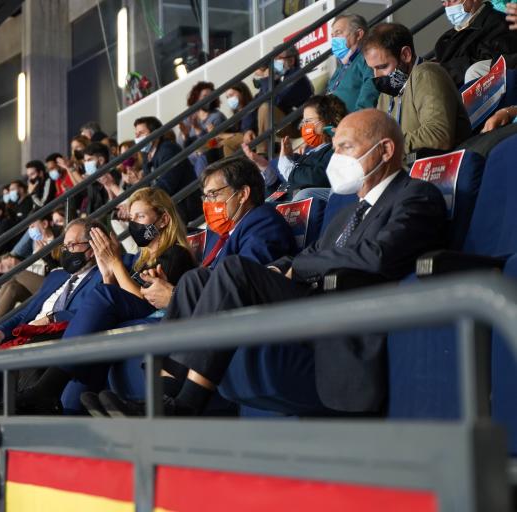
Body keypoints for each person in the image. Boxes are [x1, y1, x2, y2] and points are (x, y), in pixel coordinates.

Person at [89, 109, 449, 418]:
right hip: (310, 299)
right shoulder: (346, 213)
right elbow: (310, 255)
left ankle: (188, 404)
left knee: (233, 270)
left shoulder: (416, 196)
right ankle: (160, 398)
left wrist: (301, 268)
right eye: (334, 146)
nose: (334, 157)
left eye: (344, 147)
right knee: (198, 280)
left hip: (342, 309)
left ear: (385, 150)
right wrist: (281, 267)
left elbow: (377, 257)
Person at [12, 188, 198, 413]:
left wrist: (116, 263)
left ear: (163, 219)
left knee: (103, 295)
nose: (134, 224)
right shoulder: (142, 260)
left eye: (140, 216)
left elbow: (146, 299)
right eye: (131, 218)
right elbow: (120, 301)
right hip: (131, 317)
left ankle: (46, 388)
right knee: (91, 341)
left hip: (160, 316)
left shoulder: (176, 254)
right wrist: (108, 273)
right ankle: (57, 401)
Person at [0, 218, 107, 415]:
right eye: (64, 245)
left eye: (72, 245)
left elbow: (95, 311)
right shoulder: (56, 276)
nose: (65, 251)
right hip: (21, 334)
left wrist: (53, 317)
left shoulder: (103, 274)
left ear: (93, 246)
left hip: (49, 338)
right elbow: (24, 314)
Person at [130, 156, 297, 314]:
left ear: (242, 194)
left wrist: (174, 297)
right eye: (205, 196)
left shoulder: (263, 222)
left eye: (213, 194)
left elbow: (241, 285)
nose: (207, 203)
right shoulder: (219, 234)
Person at [363, 22, 472, 154]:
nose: (377, 75)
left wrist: (386, 147)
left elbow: (439, 135)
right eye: (373, 69)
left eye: (383, 67)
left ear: (405, 55)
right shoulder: (387, 92)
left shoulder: (427, 74)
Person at [243, 95, 348, 202]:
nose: (304, 126)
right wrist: (266, 169)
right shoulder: (307, 154)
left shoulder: (337, 149)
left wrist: (290, 169)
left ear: (328, 120)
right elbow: (283, 191)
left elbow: (319, 179)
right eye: (304, 122)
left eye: (309, 121)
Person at [134, 116, 203, 223]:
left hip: (185, 205)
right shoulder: (146, 155)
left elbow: (167, 184)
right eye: (136, 134)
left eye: (141, 133)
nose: (137, 137)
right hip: (167, 205)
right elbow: (147, 185)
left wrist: (144, 202)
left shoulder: (169, 149)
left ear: (155, 134)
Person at [434, 0, 517, 86]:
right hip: (455, 91)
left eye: (453, 0)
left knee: (474, 71)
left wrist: (450, 70)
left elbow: (496, 57)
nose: (448, 6)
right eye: (444, 2)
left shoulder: (499, 21)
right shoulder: (444, 41)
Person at [249, 45, 314, 154]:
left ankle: (263, 153)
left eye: (278, 58)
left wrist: (266, 80)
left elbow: (278, 101)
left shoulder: (297, 77)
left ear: (291, 60)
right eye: (273, 59)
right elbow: (255, 103)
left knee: (266, 108)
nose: (274, 62)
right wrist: (248, 128)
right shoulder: (278, 78)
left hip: (298, 125)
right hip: (284, 121)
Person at [0, 218, 58, 320]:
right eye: (29, 227)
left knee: (15, 271)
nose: (30, 230)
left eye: (32, 226)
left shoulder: (56, 242)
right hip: (33, 283)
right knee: (12, 288)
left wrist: (45, 255)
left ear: (45, 223)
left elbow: (58, 269)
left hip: (50, 284)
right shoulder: (36, 243)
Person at [327, 14, 379, 112]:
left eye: (338, 33)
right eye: (332, 36)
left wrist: (355, 123)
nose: (334, 40)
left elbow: (369, 94)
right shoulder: (342, 66)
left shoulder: (367, 60)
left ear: (358, 34)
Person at [178, 81, 227, 148]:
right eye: (204, 96)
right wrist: (185, 136)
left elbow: (213, 145)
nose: (208, 99)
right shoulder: (189, 117)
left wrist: (198, 129)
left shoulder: (216, 116)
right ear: (196, 98)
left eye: (211, 96)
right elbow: (180, 146)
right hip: (191, 156)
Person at [218, 82, 258, 158]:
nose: (230, 99)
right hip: (244, 144)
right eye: (227, 97)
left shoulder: (251, 106)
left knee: (228, 143)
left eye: (231, 95)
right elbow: (234, 133)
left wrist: (225, 136)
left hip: (253, 138)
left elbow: (246, 130)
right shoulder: (236, 116)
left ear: (242, 92)